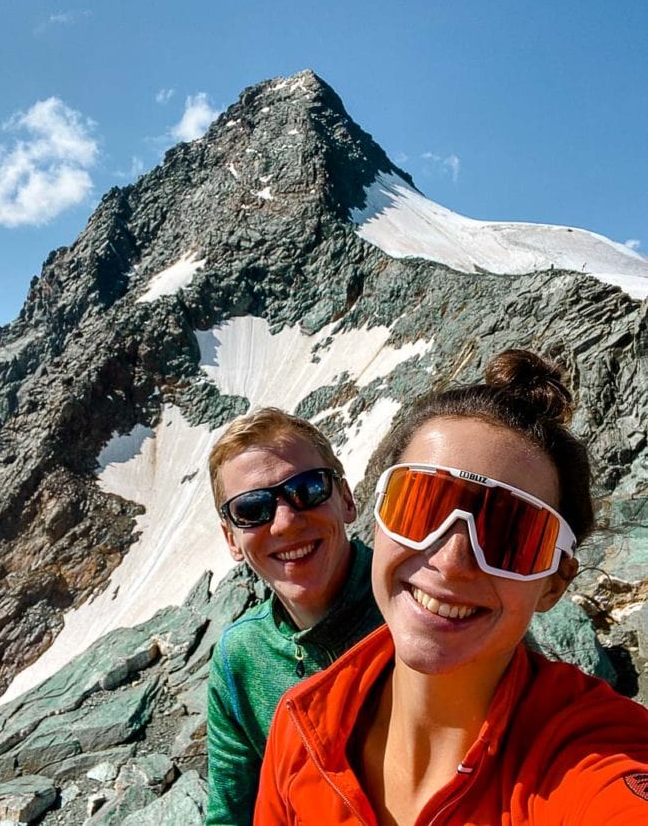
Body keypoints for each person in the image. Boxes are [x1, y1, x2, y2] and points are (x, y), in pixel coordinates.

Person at [255, 350, 648, 825]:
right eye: (421, 504)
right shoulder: (300, 727)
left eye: (512, 535)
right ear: (376, 520)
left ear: (553, 583)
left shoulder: (592, 753)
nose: (452, 561)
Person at [205, 407, 383, 825]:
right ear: (232, 539)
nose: (285, 523)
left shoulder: (419, 599)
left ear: (346, 499)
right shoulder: (239, 660)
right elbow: (230, 815)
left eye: (308, 488)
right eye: (251, 509)